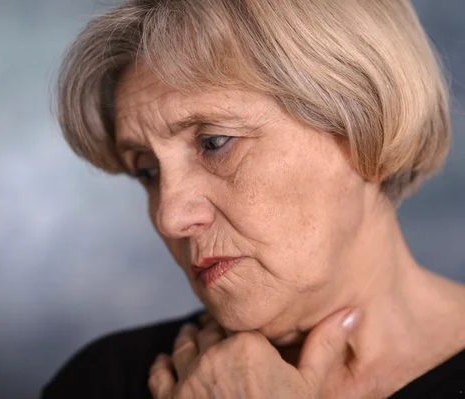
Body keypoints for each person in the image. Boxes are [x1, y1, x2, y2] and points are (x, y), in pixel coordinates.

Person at [41, 0, 465, 397]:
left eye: (215, 142)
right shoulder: (103, 380)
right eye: (147, 172)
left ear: (362, 123)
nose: (171, 217)